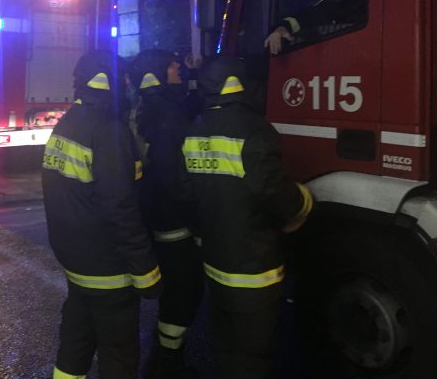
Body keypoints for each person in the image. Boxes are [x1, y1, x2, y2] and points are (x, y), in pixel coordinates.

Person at [181, 55, 313, 378]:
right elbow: (271, 190)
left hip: (215, 265)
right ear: (238, 83)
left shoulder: (195, 129)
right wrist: (303, 203)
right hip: (255, 272)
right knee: (255, 357)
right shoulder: (254, 128)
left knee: (225, 348)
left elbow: (188, 196)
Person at [42, 49, 162, 379]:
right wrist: (146, 271)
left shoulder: (67, 124)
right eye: (123, 80)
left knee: (76, 341)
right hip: (108, 270)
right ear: (107, 82)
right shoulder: (108, 132)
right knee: (119, 356)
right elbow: (120, 208)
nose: (128, 86)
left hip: (77, 266)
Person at [129, 49, 204, 379]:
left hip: (156, 219)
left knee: (176, 294)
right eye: (173, 69)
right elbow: (176, 180)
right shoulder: (164, 116)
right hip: (174, 226)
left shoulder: (150, 109)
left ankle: (164, 360)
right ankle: (167, 365)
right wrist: (199, 224)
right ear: (156, 75)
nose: (179, 72)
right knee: (183, 294)